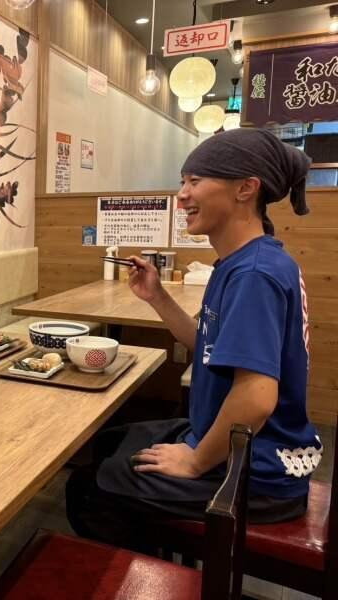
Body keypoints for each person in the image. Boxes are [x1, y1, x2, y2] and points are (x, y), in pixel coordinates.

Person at [66, 128, 323, 554]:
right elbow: (208, 347)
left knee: (91, 488)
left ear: (246, 188)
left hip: (256, 472)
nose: (181, 195)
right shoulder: (242, 262)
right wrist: (157, 297)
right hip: (241, 443)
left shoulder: (254, 274)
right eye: (183, 181)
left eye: (195, 181)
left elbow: (257, 399)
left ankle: (155, 578)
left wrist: (197, 460)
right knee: (114, 439)